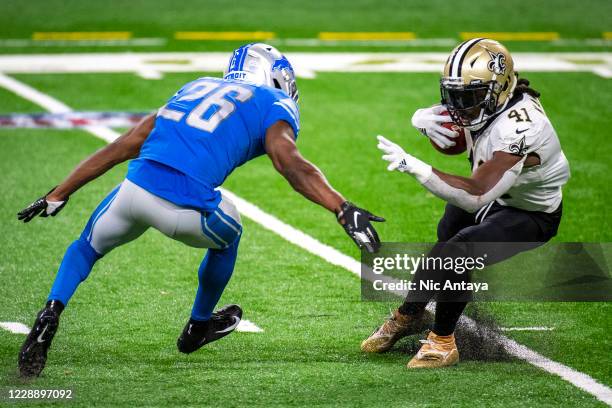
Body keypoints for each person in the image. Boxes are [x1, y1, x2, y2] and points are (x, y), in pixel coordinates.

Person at [17, 43, 384, 378]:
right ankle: (198, 326)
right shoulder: (273, 102)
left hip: (134, 190)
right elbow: (288, 162)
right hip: (185, 208)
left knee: (86, 246)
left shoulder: (195, 86)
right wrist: (341, 207)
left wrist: (58, 193)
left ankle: (51, 311)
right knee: (231, 231)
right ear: (275, 75)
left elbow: (125, 144)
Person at [361, 38, 569, 368]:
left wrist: (417, 166)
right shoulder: (493, 102)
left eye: (469, 98)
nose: (459, 107)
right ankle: (410, 314)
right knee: (447, 236)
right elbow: (456, 124)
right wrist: (422, 117)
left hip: (531, 212)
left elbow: (475, 196)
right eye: (454, 96)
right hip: (502, 194)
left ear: (498, 89)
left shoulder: (523, 126)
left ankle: (442, 341)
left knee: (458, 251)